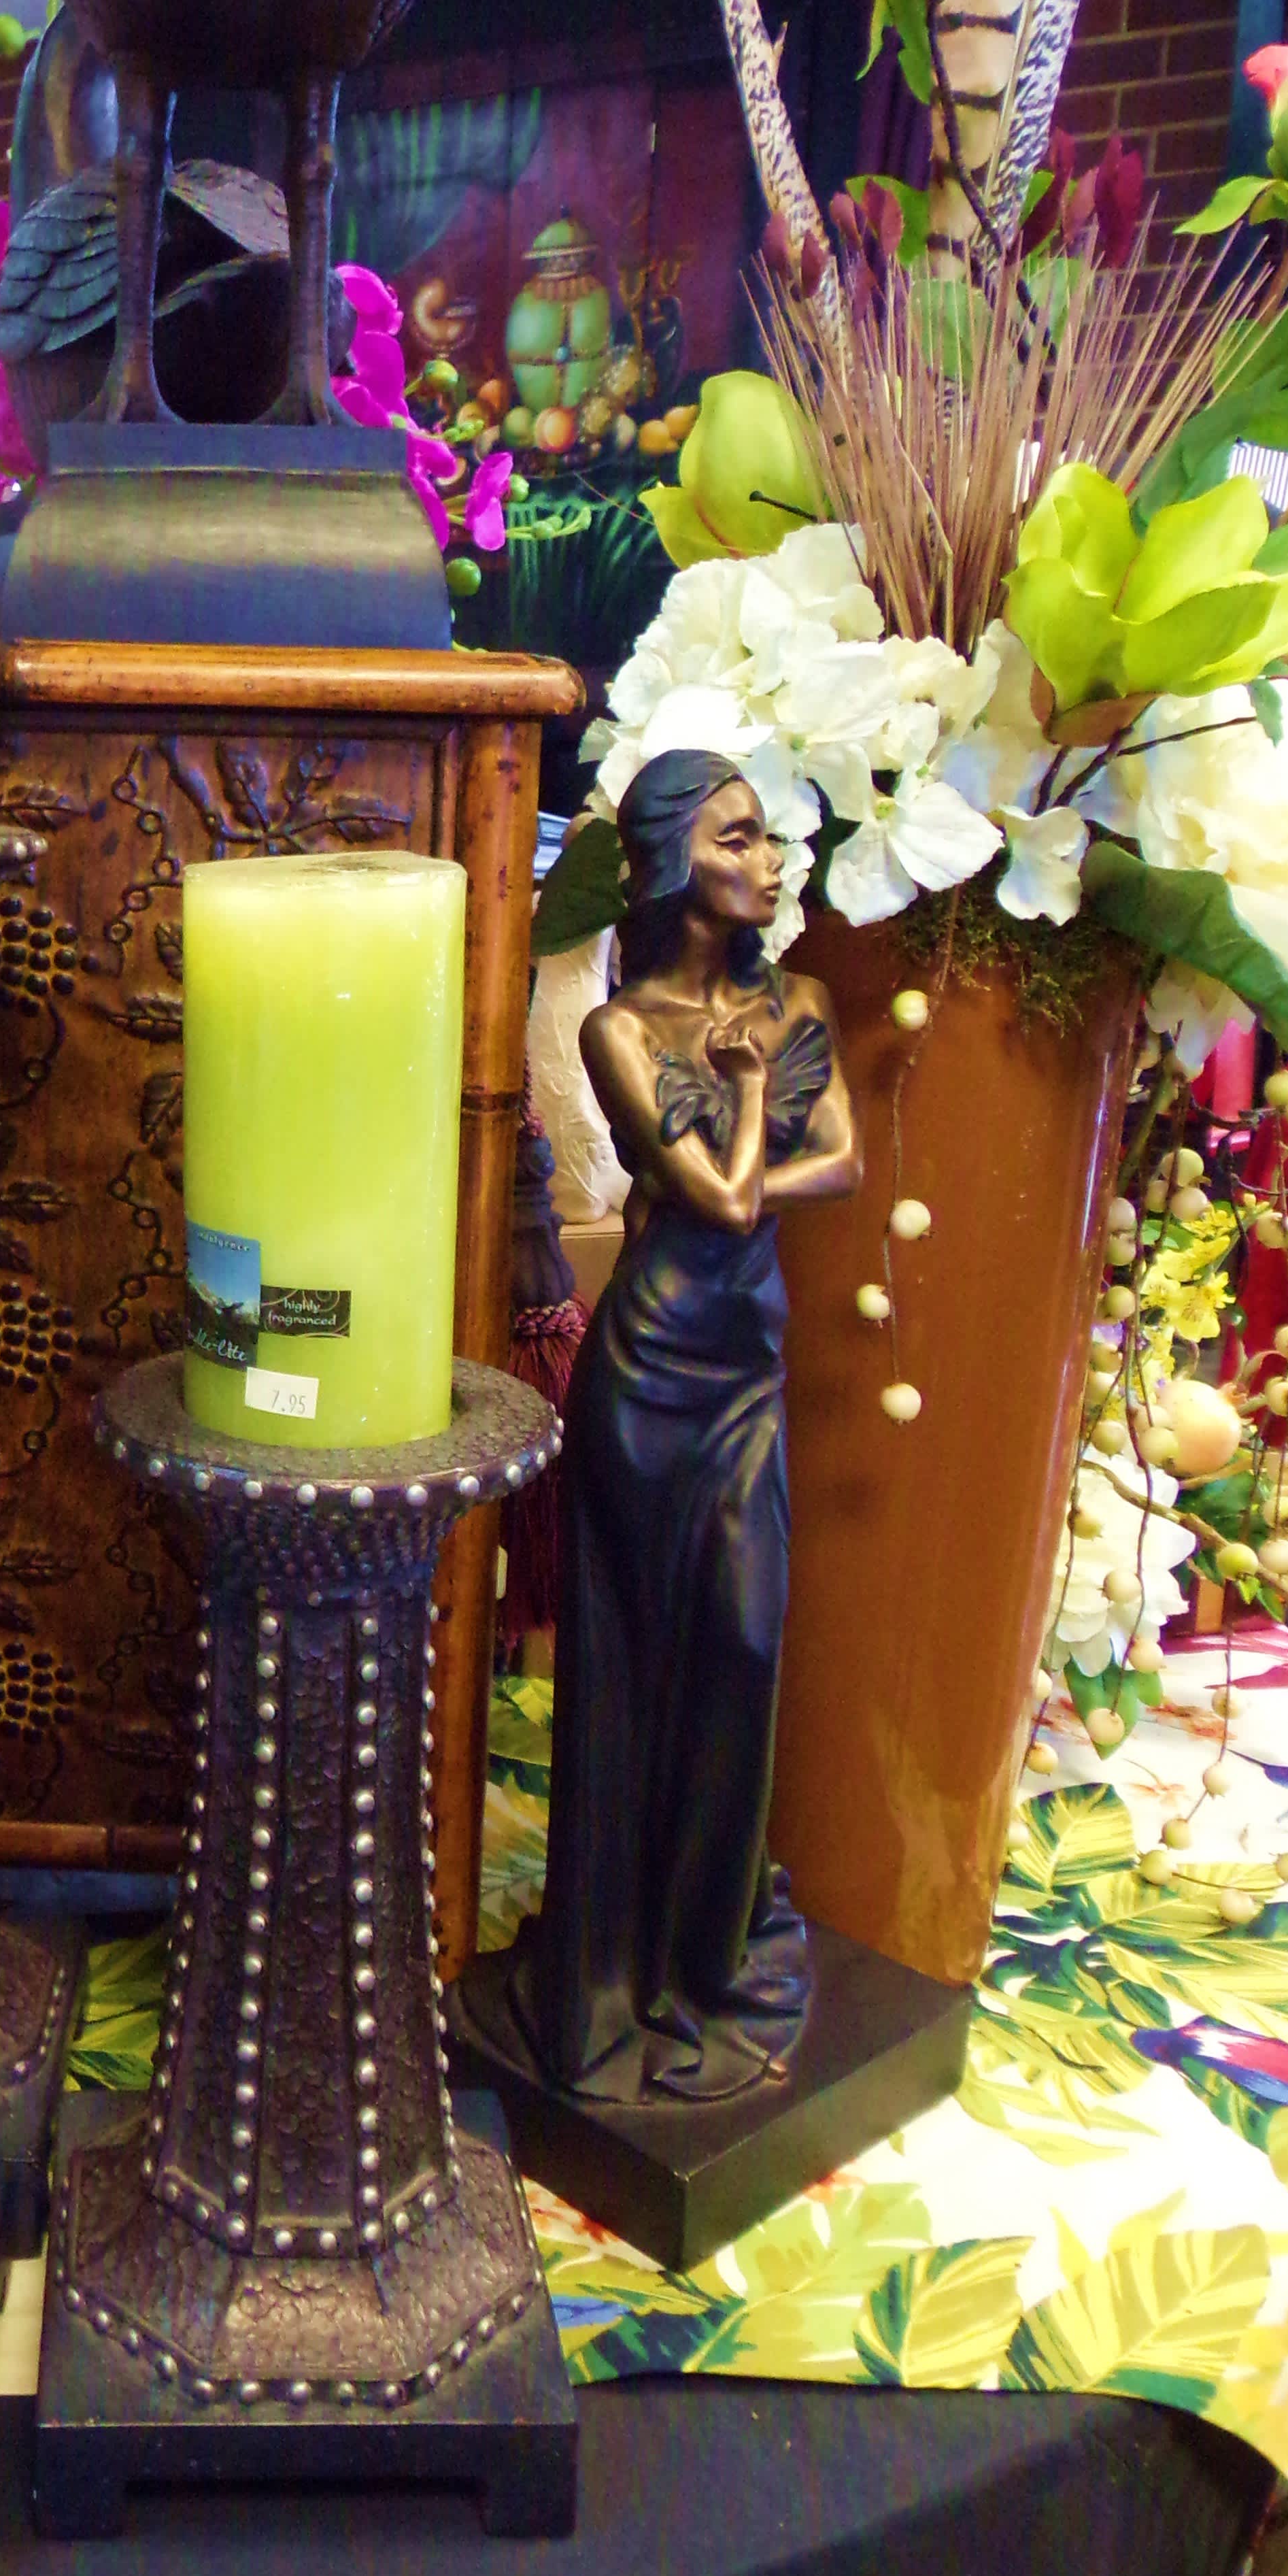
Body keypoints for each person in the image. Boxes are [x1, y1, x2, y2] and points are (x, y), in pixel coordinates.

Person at [505, 746, 860, 2104]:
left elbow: (843, 1164)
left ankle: (706, 1954)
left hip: (746, 1372)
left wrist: (747, 1146)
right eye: (736, 839)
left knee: (745, 1641)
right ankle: (617, 1958)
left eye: (767, 836)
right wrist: (757, 1101)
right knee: (632, 1667)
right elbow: (716, 1201)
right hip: (647, 1375)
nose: (768, 860)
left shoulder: (801, 999)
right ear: (669, 867)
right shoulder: (619, 1029)